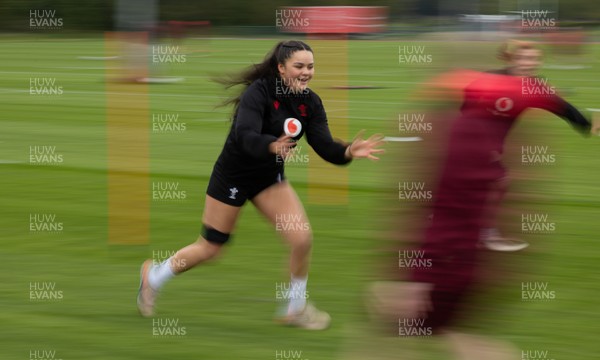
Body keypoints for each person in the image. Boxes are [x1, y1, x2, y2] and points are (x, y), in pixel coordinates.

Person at [368, 40, 594, 358]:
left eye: (535, 57)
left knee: (496, 184)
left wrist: (585, 124)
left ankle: (475, 239)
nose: (530, 61)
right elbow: (461, 101)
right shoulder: (490, 80)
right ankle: (479, 237)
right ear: (511, 57)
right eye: (524, 55)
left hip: (483, 157)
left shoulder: (530, 88)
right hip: (472, 158)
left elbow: (560, 106)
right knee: (493, 184)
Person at [137, 40, 384, 330]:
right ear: (281, 68)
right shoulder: (259, 93)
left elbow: (325, 146)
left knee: (301, 239)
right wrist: (271, 147)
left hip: (268, 180)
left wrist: (347, 152)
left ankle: (295, 309)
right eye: (299, 66)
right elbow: (245, 135)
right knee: (212, 248)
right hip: (234, 176)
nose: (306, 72)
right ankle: (153, 277)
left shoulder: (310, 103)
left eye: (311, 66)